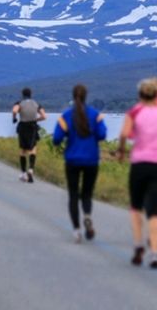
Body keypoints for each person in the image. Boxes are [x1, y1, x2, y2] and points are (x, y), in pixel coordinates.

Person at [118, 77, 157, 269]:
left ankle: (138, 244)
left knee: (136, 206)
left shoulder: (134, 111)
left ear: (140, 94)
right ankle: (155, 252)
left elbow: (124, 134)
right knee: (155, 208)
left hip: (139, 163)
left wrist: (121, 151)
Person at [53, 84, 107, 242]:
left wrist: (66, 140)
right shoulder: (96, 115)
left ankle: (77, 230)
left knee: (73, 195)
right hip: (91, 160)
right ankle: (88, 216)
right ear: (86, 96)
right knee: (87, 194)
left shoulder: (66, 116)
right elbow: (102, 135)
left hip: (72, 160)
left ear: (73, 96)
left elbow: (56, 139)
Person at [12, 88, 46, 183]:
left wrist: (14, 118)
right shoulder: (36, 104)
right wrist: (36, 120)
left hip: (23, 127)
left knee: (23, 150)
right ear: (31, 94)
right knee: (33, 148)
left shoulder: (19, 103)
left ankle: (23, 173)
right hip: (33, 127)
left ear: (22, 95)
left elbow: (15, 111)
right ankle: (31, 169)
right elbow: (44, 116)